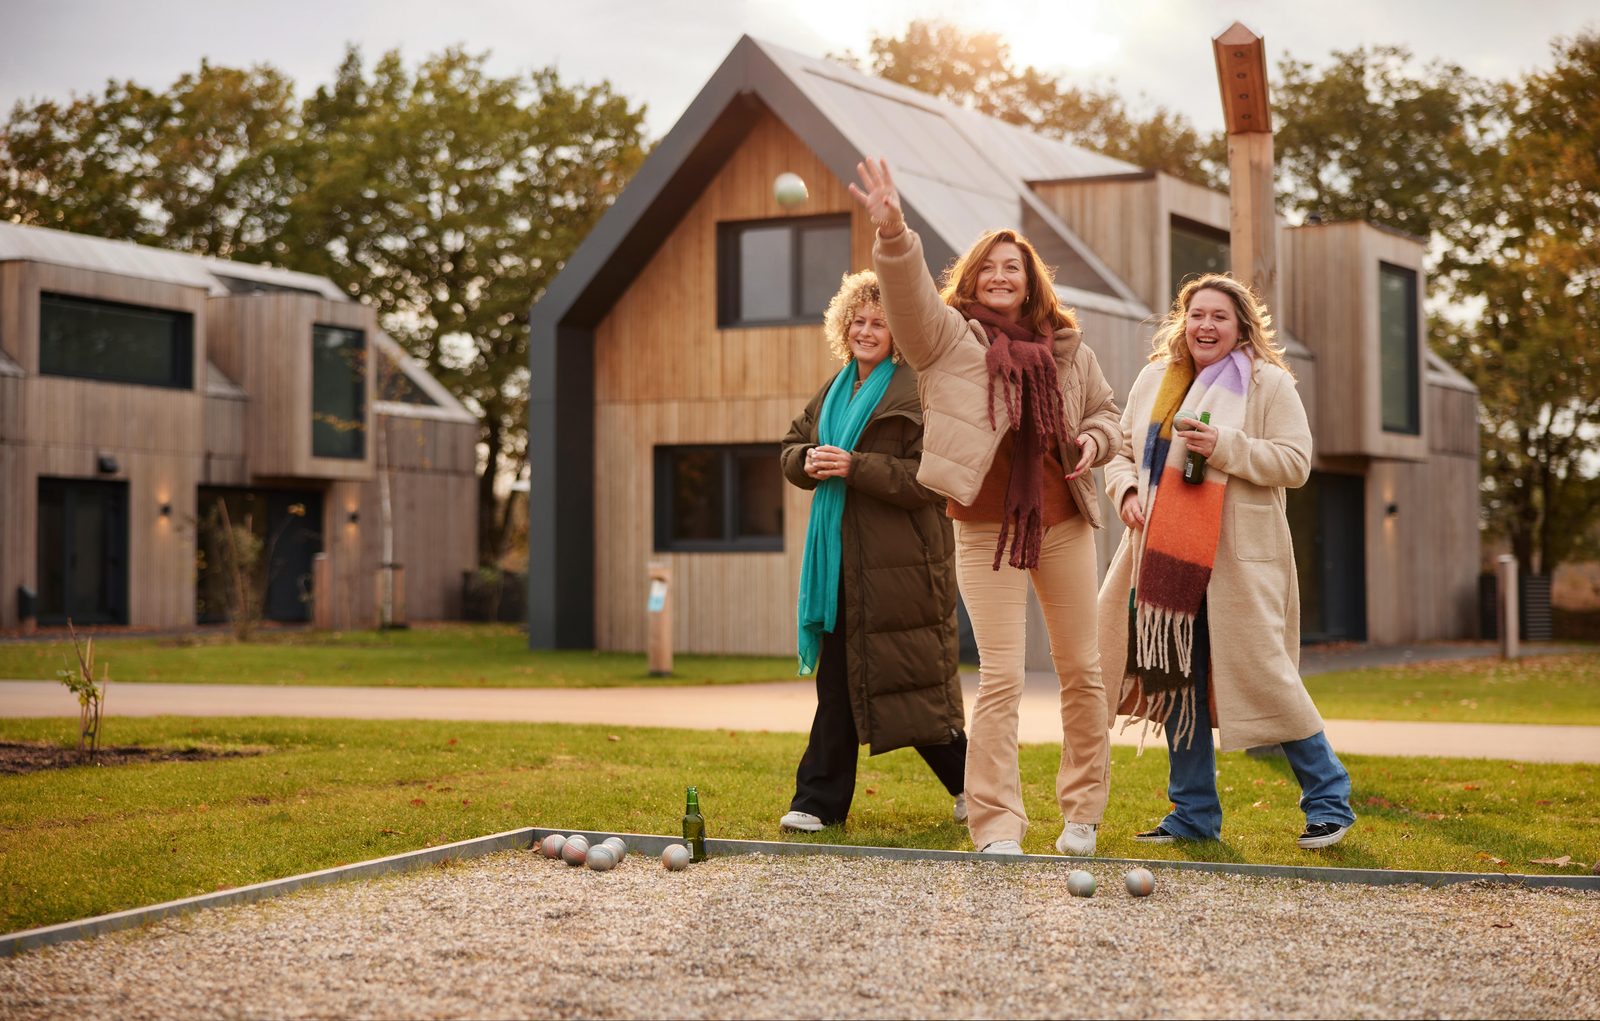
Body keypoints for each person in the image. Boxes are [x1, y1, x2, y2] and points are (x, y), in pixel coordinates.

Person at [850, 158, 1121, 857]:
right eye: (989, 268)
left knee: (1082, 671)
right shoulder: (945, 339)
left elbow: (1106, 413)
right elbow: (908, 299)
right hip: (984, 529)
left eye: (1014, 268)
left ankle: (1082, 812)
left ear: (1031, 280)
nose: (1001, 276)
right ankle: (998, 823)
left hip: (1063, 523)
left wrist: (1092, 439)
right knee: (1001, 677)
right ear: (970, 279)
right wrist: (894, 232)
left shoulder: (1066, 348)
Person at [1097, 272, 1356, 849]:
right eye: (1195, 315)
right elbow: (1118, 449)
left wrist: (1227, 448)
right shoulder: (1153, 380)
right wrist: (1127, 492)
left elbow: (1295, 462)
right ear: (1181, 324)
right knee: (1174, 683)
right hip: (1163, 559)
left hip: (1239, 562)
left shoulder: (1268, 384)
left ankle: (1330, 801)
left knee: (1269, 678)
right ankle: (1192, 816)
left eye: (1218, 316)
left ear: (1241, 326)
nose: (1205, 325)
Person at [778, 269, 969, 832]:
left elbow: (932, 479)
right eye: (857, 321)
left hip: (902, 566)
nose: (866, 331)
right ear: (844, 326)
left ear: (899, 333)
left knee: (911, 685)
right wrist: (806, 461)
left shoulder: (919, 389)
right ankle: (816, 803)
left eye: (879, 324)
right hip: (839, 564)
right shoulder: (836, 389)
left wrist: (856, 467)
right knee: (837, 683)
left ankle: (972, 788)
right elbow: (792, 444)